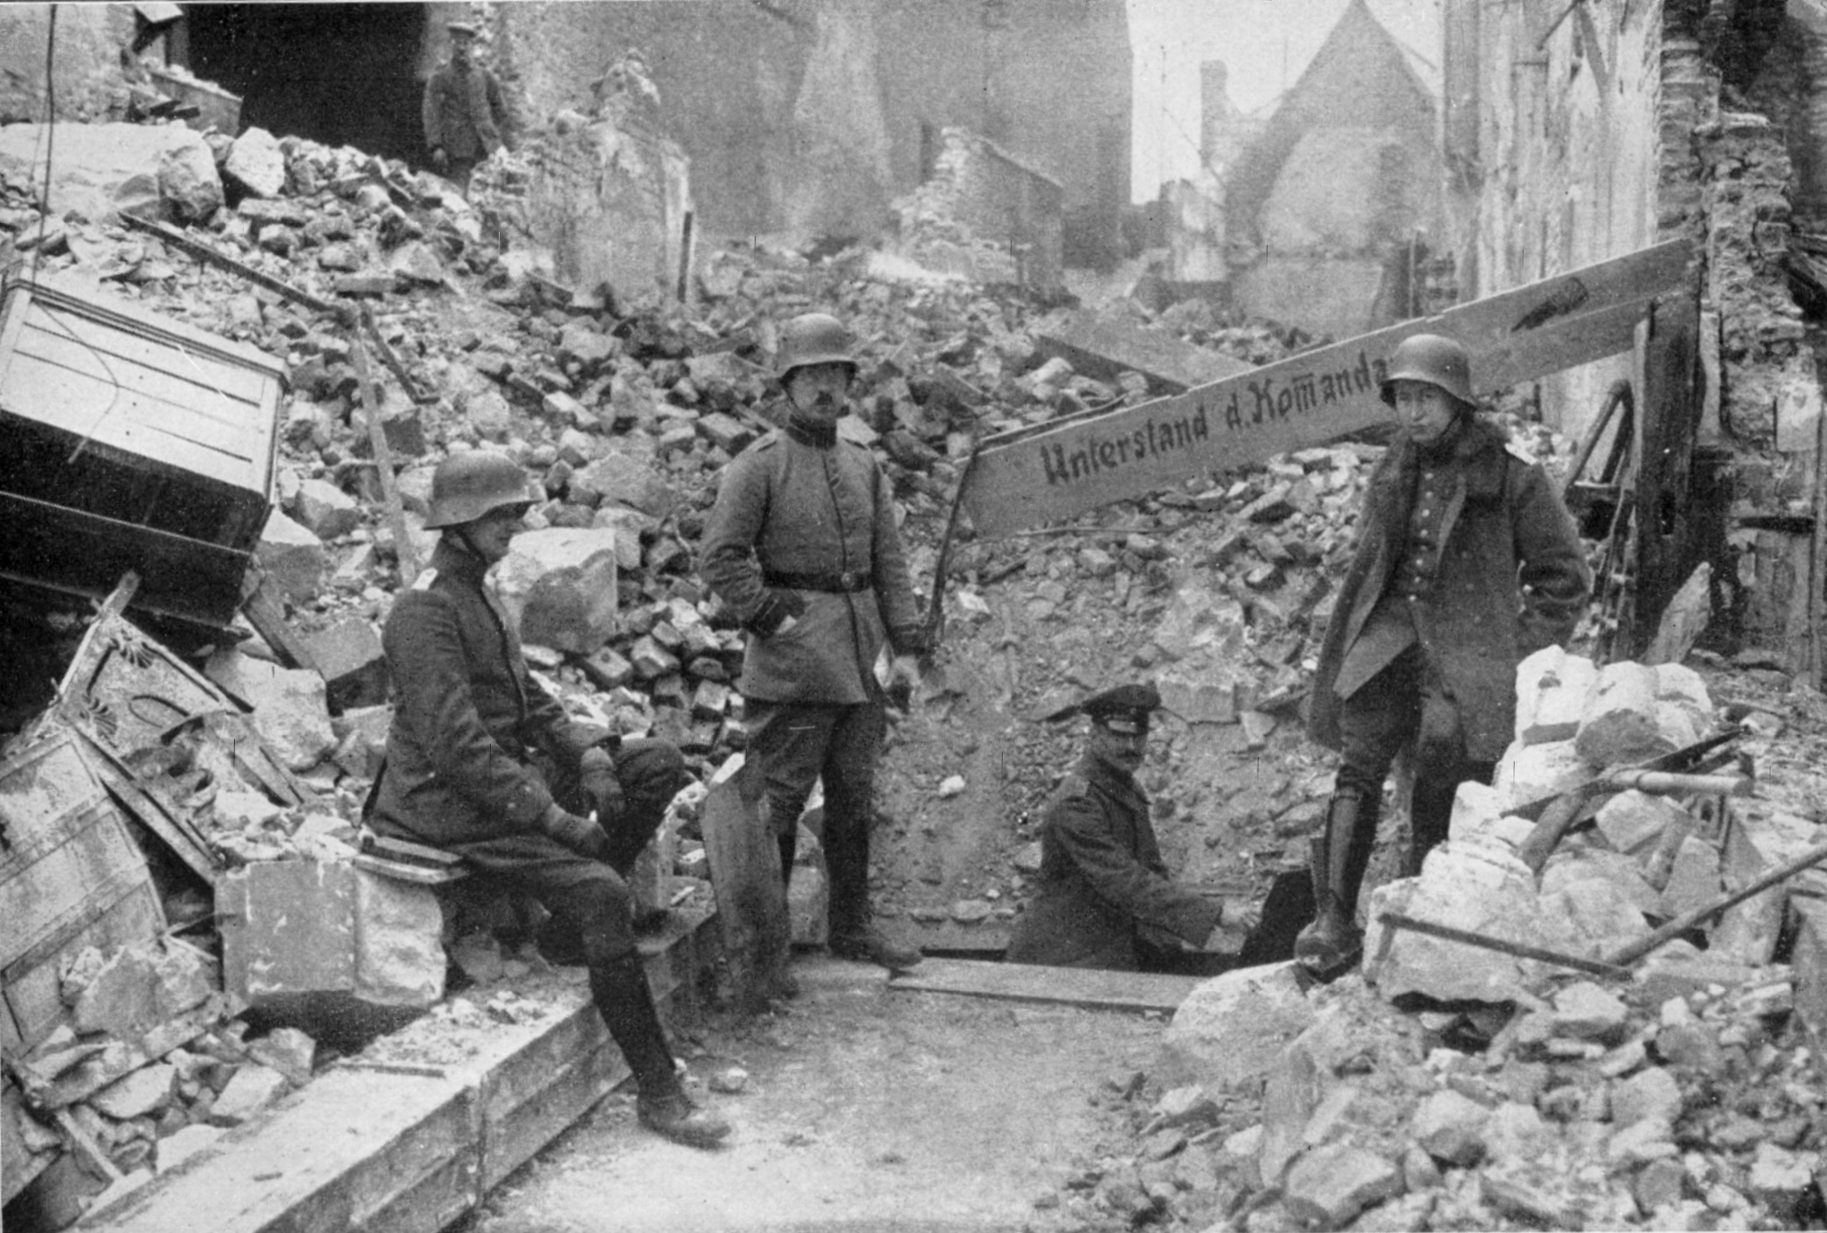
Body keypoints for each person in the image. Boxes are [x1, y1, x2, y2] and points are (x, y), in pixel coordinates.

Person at [366, 450, 727, 1148]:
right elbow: (457, 748)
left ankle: (566, 932)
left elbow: (530, 699)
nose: (512, 525)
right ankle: (660, 1092)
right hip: (444, 805)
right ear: (460, 521)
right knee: (599, 889)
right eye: (498, 514)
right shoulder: (423, 609)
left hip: (499, 785)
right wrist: (555, 817)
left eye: (515, 512)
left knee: (653, 761)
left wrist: (588, 751)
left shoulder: (481, 591)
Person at [1299, 332, 1591, 977]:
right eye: (1403, 398)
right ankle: (1333, 920)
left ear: (1458, 400)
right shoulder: (1394, 469)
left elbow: (1563, 577)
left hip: (1465, 656)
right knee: (1358, 763)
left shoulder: (1513, 480)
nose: (1413, 412)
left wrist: (1517, 655)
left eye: (1426, 397)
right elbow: (1371, 562)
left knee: (1443, 767)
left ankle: (1422, 915)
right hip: (1389, 642)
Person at [697, 312, 927, 976]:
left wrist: (905, 646)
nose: (826, 387)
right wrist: (771, 616)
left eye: (836, 373)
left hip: (861, 660)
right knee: (777, 805)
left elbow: (890, 561)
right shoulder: (758, 465)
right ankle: (761, 946)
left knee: (854, 799)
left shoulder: (863, 464)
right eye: (812, 375)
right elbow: (720, 556)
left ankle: (850, 929)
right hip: (795, 665)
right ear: (788, 385)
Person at [1006, 684, 1237, 972]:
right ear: (1095, 735)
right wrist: (1213, 914)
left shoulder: (1123, 787)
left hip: (1108, 945)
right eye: (1119, 735)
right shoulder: (1078, 803)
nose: (1130, 747)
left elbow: (1151, 869)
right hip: (1063, 960)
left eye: (1138, 736)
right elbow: (1123, 880)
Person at [421, 20, 507, 194]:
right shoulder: (441, 76)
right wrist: (436, 145)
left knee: (489, 195)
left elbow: (500, 108)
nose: (462, 48)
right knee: (459, 194)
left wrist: (490, 130)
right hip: (457, 150)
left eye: (466, 43)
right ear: (450, 45)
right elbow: (431, 111)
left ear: (472, 46)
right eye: (457, 43)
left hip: (486, 148)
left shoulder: (484, 75)